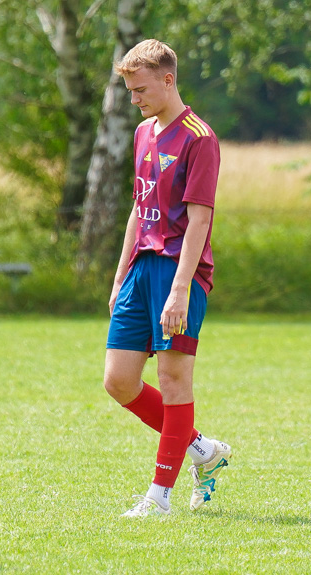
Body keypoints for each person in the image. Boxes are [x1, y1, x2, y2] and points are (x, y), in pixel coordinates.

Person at [103, 39, 231, 517]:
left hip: (181, 271)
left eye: (140, 89)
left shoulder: (200, 138)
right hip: (141, 269)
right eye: (130, 90)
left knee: (173, 379)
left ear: (168, 79)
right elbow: (140, 208)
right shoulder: (142, 133)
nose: (135, 98)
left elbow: (199, 220)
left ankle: (159, 498)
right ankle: (202, 449)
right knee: (118, 380)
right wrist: (120, 277)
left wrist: (180, 288)